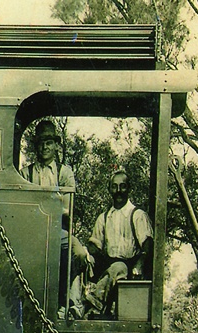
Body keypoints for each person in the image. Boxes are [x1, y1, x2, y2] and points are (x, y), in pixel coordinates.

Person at [20, 121, 91, 318]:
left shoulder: (65, 172)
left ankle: (69, 303)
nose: (44, 147)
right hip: (33, 233)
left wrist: (41, 205)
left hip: (58, 231)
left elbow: (67, 209)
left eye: (49, 142)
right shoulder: (26, 173)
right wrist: (53, 201)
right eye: (41, 142)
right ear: (36, 145)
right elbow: (23, 209)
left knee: (78, 254)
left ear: (56, 145)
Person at [86, 170, 153, 315]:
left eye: (122, 186)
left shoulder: (137, 215)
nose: (118, 191)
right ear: (109, 189)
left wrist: (140, 263)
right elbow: (94, 244)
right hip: (108, 265)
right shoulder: (104, 218)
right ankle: (78, 305)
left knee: (118, 267)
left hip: (129, 266)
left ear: (129, 188)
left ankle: (94, 300)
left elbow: (148, 244)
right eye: (114, 187)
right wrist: (90, 251)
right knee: (85, 260)